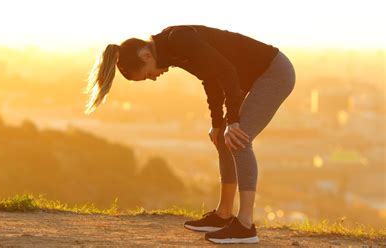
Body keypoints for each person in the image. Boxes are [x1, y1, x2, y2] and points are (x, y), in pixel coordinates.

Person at [83, 24, 296, 244]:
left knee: (239, 139)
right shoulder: (172, 48)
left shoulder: (179, 41)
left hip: (273, 73)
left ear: (146, 55)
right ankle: (223, 214)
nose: (154, 78)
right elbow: (210, 78)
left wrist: (233, 121)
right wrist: (217, 124)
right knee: (224, 138)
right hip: (248, 77)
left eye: (148, 75)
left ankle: (245, 226)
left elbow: (226, 72)